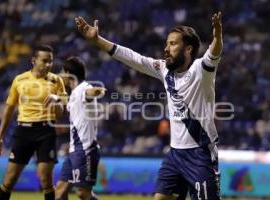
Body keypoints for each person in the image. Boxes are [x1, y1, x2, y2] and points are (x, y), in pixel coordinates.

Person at [75, 11, 223, 200]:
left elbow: (214, 53)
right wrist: (98, 41)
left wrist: (217, 36)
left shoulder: (201, 71)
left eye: (173, 43)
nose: (166, 48)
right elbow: (134, 58)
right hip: (175, 153)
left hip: (200, 153)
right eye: (166, 43)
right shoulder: (164, 70)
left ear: (188, 49)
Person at [0, 45, 67, 200]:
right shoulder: (19, 80)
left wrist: (57, 100)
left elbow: (60, 114)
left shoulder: (57, 81)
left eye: (51, 61)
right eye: (44, 61)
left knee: (45, 179)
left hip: (46, 131)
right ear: (34, 61)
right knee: (10, 179)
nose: (48, 65)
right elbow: (9, 109)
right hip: (24, 131)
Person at [55, 56, 105, 200]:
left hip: (85, 150)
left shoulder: (84, 88)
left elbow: (89, 93)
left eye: (61, 72)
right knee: (59, 193)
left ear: (69, 73)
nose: (59, 75)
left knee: (83, 193)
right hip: (73, 151)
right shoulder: (74, 94)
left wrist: (97, 91)